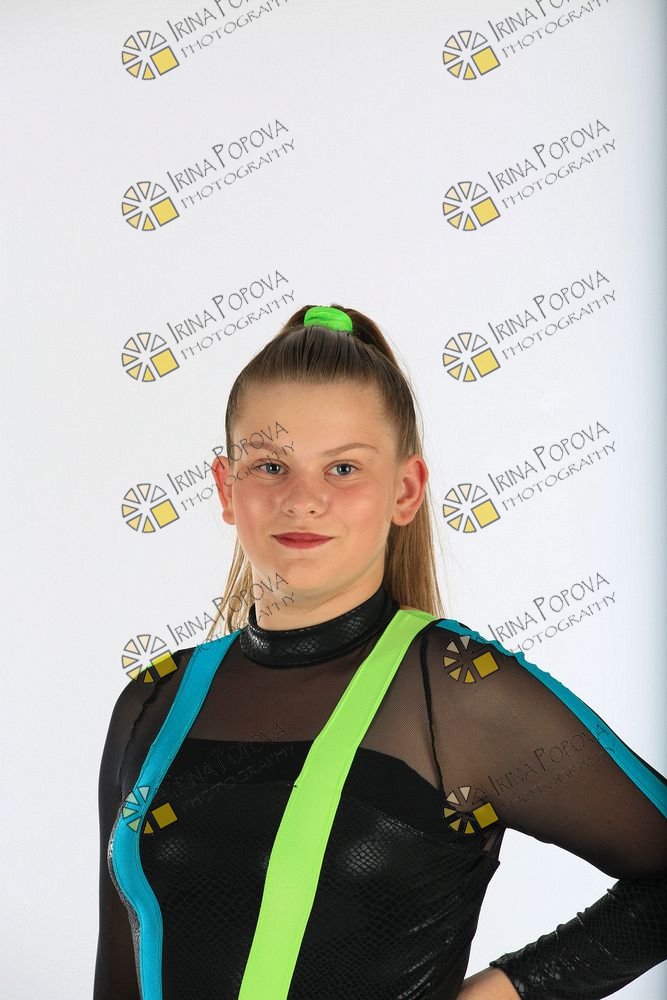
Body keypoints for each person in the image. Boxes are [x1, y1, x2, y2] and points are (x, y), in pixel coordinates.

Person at [94, 305, 667, 1000]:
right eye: (270, 465)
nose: (302, 499)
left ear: (405, 490)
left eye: (342, 468)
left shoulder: (457, 695)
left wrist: (503, 992)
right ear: (225, 487)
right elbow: (118, 972)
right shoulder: (153, 700)